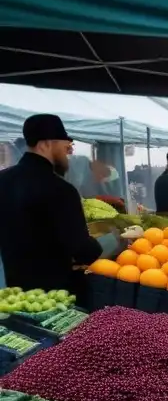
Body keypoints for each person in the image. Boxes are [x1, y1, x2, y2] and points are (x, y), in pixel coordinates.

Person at [0, 114, 109, 297]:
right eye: (65, 147)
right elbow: (83, 251)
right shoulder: (60, 189)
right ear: (45, 144)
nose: (69, 153)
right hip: (56, 296)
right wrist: (112, 241)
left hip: (16, 293)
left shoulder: (3, 180)